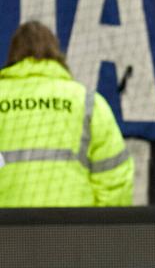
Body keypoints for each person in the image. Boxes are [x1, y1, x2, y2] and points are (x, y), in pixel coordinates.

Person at [0, 21, 133, 207]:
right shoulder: (87, 102)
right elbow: (115, 182)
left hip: (7, 230)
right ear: (56, 53)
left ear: (12, 56)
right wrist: (100, 231)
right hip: (72, 231)